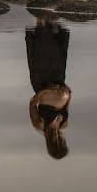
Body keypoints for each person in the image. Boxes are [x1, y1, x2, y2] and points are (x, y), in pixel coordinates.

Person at [26, 15, 72, 159]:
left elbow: (32, 104)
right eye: (63, 144)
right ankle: (48, 10)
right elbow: (66, 107)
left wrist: (45, 90)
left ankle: (41, 11)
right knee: (57, 50)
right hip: (59, 80)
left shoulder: (40, 125)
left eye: (60, 144)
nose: (62, 142)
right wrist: (68, 92)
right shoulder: (64, 125)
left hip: (41, 81)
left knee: (43, 45)